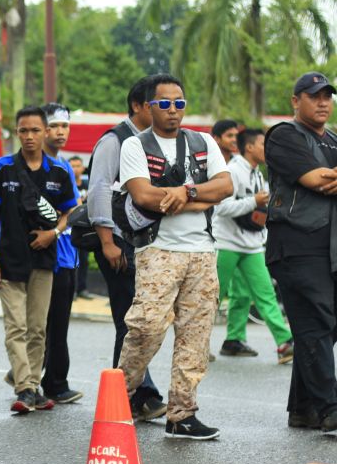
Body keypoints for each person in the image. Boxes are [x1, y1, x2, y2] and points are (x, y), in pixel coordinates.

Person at [117, 74, 233, 440]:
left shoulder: (204, 142)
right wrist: (201, 197)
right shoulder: (135, 146)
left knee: (195, 338)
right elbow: (144, 197)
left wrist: (185, 192)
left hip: (202, 253)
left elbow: (226, 187)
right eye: (164, 103)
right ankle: (118, 400)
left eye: (179, 103)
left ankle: (181, 414)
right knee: (146, 327)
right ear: (149, 106)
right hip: (158, 251)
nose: (173, 110)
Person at [0, 106, 78, 414]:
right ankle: (24, 387)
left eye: (35, 130)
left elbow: (69, 212)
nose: (29, 136)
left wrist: (54, 232)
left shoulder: (60, 172)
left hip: (44, 259)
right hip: (9, 260)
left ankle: (33, 385)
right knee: (17, 326)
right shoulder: (1, 168)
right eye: (23, 130)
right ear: (17, 133)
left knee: (38, 327)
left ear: (45, 132)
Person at [87, 76, 168, 419]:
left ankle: (134, 391)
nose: (166, 110)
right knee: (129, 320)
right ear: (139, 106)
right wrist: (107, 241)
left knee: (141, 320)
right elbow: (99, 189)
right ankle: (133, 394)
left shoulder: (155, 142)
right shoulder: (115, 140)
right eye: (159, 104)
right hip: (118, 242)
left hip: (146, 244)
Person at [264, 72, 337, 433]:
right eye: (314, 96)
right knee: (316, 322)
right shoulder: (284, 136)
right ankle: (330, 408)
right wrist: (326, 177)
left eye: (327, 96)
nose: (323, 102)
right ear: (296, 101)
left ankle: (304, 407)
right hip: (296, 246)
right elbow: (317, 180)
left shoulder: (334, 140)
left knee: (324, 326)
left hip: (329, 249)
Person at [212, 128, 293, 361]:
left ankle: (278, 342)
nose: (268, 151)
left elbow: (261, 210)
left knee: (258, 294)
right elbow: (222, 208)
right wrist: (253, 201)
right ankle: (196, 342)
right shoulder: (232, 171)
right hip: (226, 243)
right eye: (263, 145)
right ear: (249, 148)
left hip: (252, 245)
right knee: (213, 297)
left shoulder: (259, 174)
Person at [40, 103, 84, 404]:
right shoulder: (36, 167)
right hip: (47, 256)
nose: (60, 132)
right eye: (54, 125)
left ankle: (47, 378)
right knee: (43, 324)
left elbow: (73, 211)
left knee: (58, 324)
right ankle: (50, 381)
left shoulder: (65, 166)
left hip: (68, 255)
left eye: (64, 126)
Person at [69, 156, 92, 299]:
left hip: (85, 229)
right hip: (70, 229)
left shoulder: (88, 184)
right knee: (72, 260)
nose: (75, 169)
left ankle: (82, 288)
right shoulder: (68, 185)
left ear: (83, 168)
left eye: (78, 166)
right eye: (72, 166)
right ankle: (72, 290)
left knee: (84, 260)